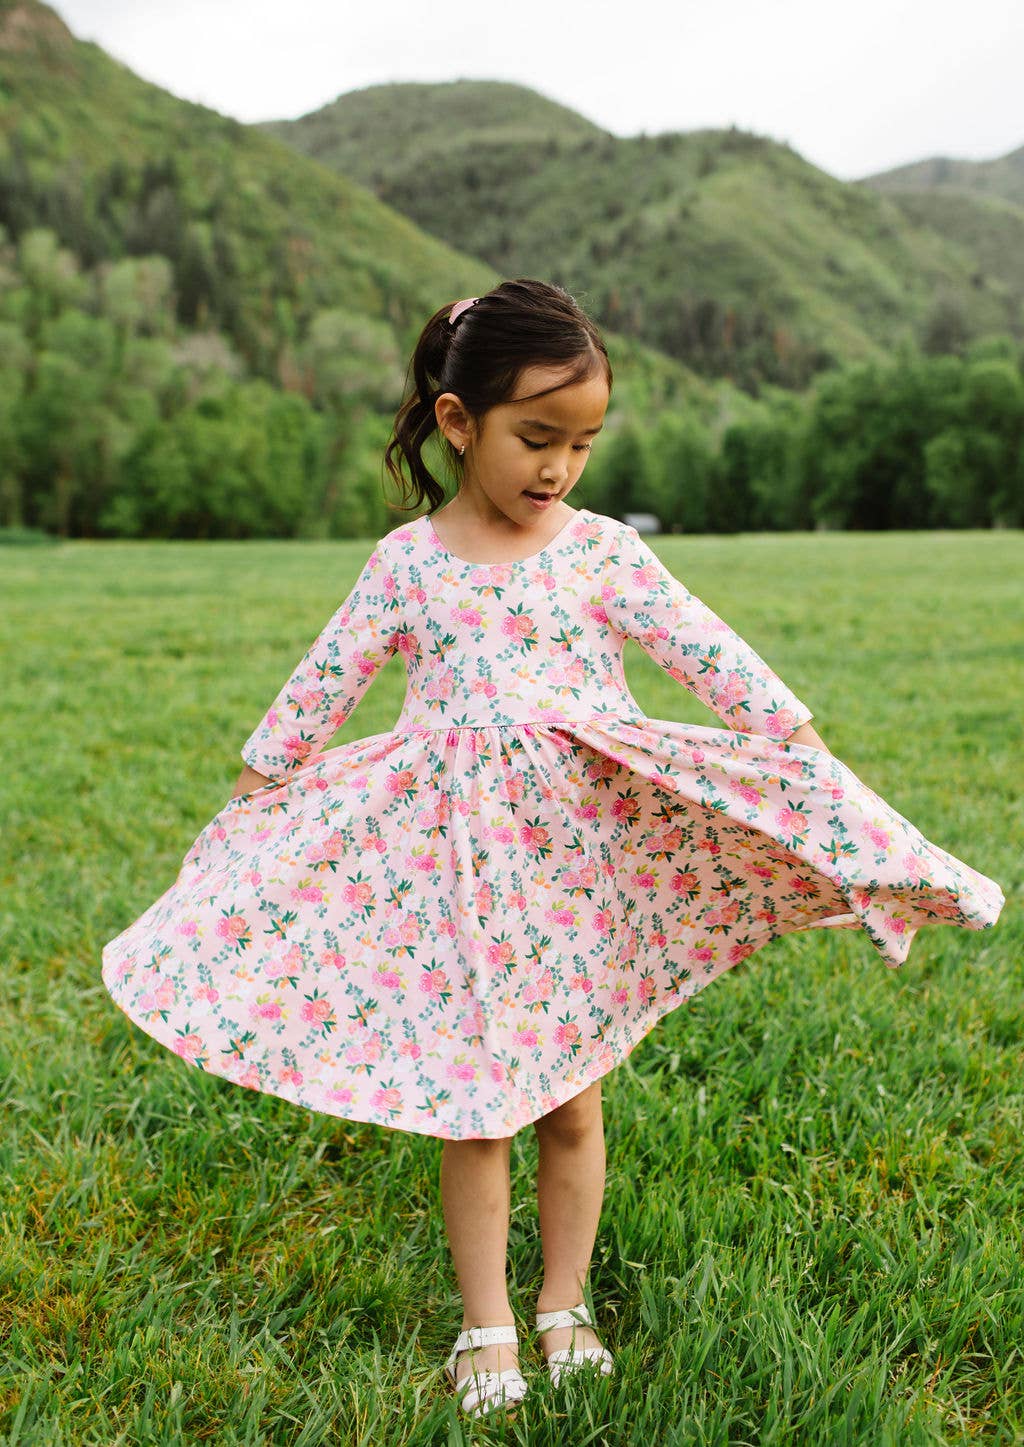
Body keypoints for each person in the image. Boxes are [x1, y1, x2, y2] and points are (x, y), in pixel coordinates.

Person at [101, 277, 1005, 1422]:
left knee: (571, 1101)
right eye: (536, 437)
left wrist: (799, 752)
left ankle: (563, 1301)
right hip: (450, 872)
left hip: (575, 868)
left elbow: (708, 652)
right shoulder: (406, 563)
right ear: (455, 421)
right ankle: (485, 1322)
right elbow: (320, 686)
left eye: (581, 443)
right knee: (476, 1106)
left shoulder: (602, 552)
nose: (558, 468)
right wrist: (253, 793)